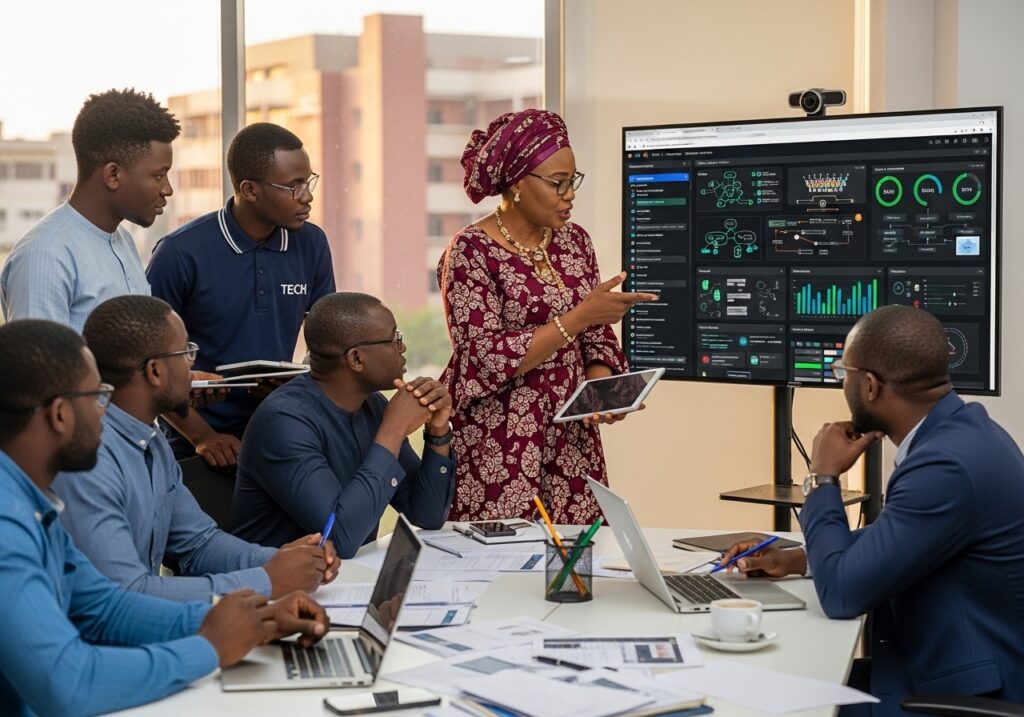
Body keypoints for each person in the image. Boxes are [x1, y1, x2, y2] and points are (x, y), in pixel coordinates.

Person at [0, 319, 329, 716]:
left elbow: (105, 607)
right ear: (59, 415)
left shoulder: (31, 501)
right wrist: (209, 647)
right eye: (98, 397)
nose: (106, 414)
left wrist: (256, 618)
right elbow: (70, 683)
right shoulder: (7, 528)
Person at [721, 305, 1024, 712]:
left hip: (955, 695)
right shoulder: (961, 434)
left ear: (868, 386)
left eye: (841, 373)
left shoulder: (945, 465)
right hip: (940, 667)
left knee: (756, 699)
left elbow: (842, 593)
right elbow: (912, 537)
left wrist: (823, 477)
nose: (840, 384)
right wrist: (798, 560)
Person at [439, 108, 657, 523]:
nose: (569, 194)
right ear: (518, 183)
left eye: (572, 181)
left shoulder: (575, 242)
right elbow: (483, 356)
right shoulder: (470, 251)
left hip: (571, 441)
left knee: (575, 566)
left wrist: (600, 391)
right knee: (502, 569)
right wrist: (576, 318)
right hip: (500, 444)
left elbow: (596, 334)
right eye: (558, 184)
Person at [52, 296, 339, 602]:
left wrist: (278, 560)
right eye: (186, 353)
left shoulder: (152, 441)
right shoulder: (89, 459)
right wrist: (267, 580)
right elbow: (127, 592)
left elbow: (199, 543)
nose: (193, 367)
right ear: (155, 371)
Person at [147, 122, 336, 468]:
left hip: (280, 430)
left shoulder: (312, 243)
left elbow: (324, 344)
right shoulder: (179, 253)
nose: (307, 196)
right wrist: (203, 437)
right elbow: (150, 364)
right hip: (195, 445)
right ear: (249, 189)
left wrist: (296, 390)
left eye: (308, 182)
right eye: (293, 186)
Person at [230, 292, 455, 559]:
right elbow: (340, 540)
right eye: (394, 338)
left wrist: (437, 432)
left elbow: (426, 515)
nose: (402, 347)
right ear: (356, 359)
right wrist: (393, 429)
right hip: (274, 590)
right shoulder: (283, 422)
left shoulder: (373, 405)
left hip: (343, 581)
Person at [1, 88, 177, 331]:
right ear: (113, 175)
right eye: (159, 175)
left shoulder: (123, 239)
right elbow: (39, 367)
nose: (167, 189)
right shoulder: (45, 256)